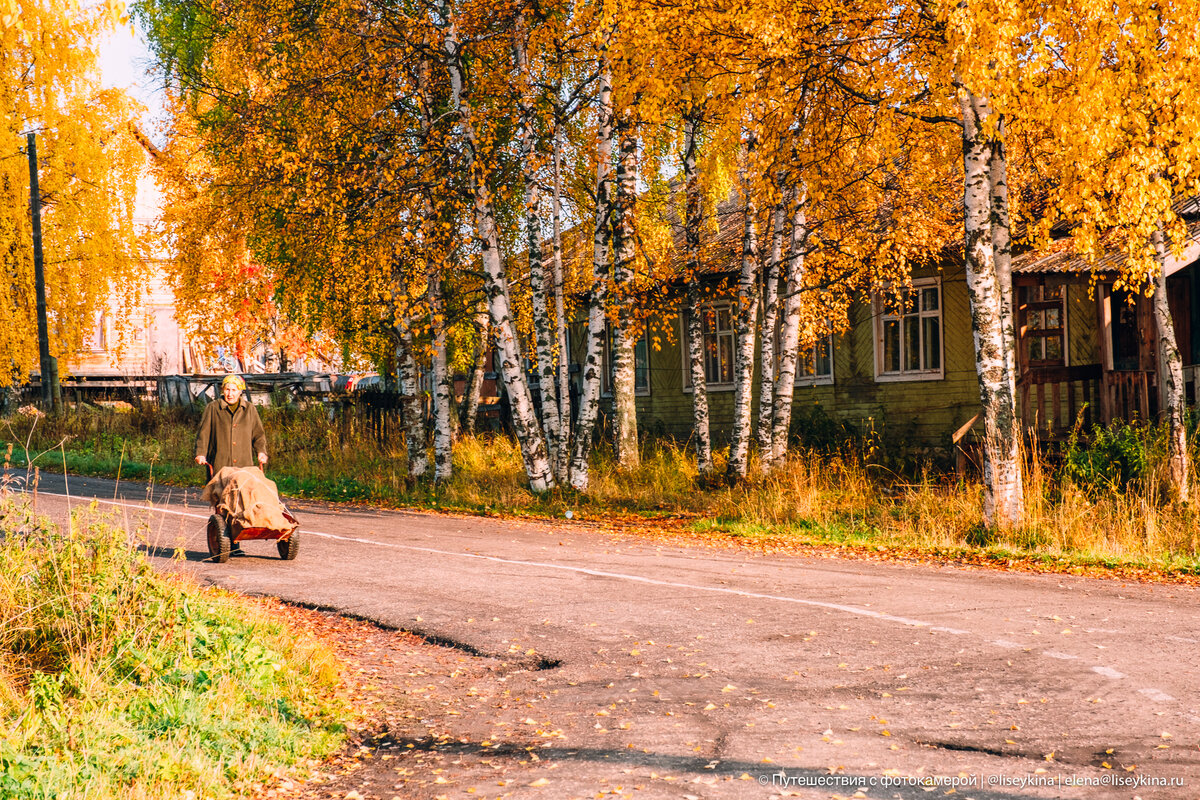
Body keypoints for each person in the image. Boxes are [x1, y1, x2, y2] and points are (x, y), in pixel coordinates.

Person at [195, 374, 268, 478]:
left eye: (234, 390)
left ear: (240, 391)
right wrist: (201, 453)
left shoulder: (249, 409)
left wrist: (261, 452)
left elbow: (258, 434)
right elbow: (203, 434)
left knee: (243, 493)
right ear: (223, 390)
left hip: (244, 465)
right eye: (227, 389)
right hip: (219, 464)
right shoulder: (213, 408)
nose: (230, 394)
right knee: (218, 492)